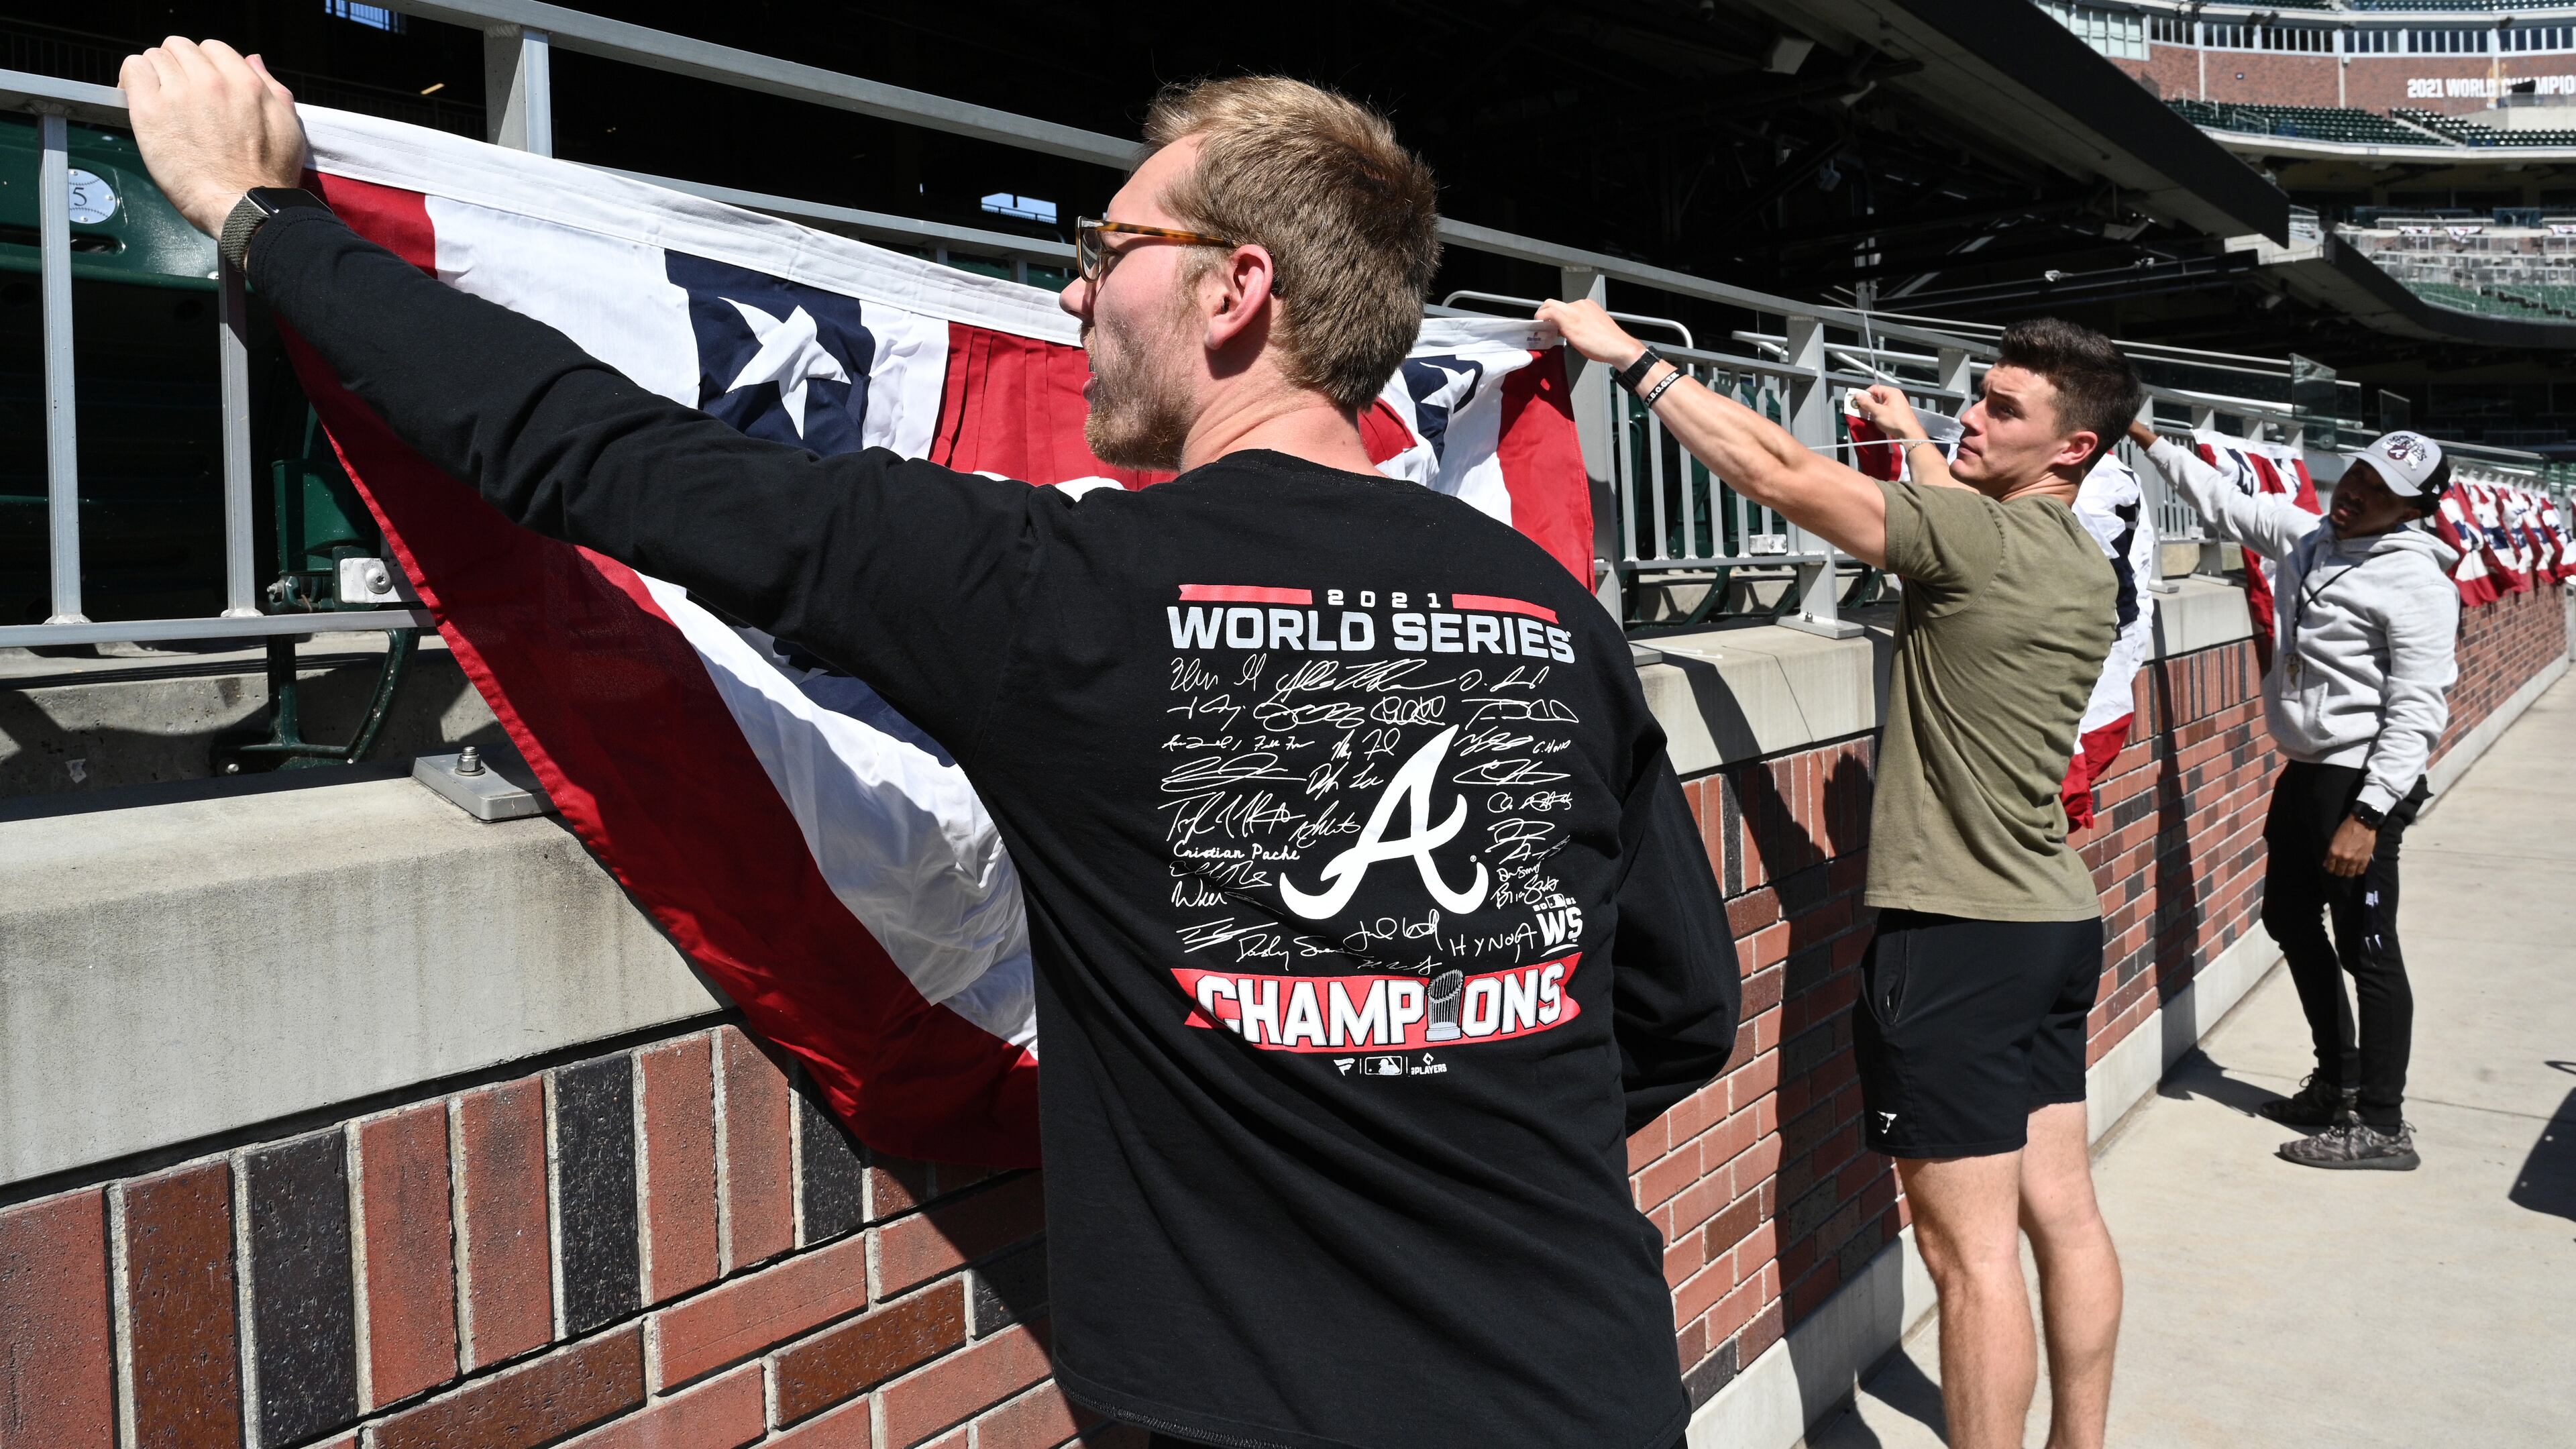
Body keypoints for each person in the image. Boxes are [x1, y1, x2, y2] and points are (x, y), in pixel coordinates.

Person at [122, 40, 1739, 1449]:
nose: (1075, 286)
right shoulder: (1548, 614)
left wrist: (263, 225)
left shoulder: (1059, 588)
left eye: (1111, 247)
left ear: (1237, 288)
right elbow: (1675, 1009)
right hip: (1594, 1384)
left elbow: (600, 457)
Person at [1538, 302, 2131, 1449]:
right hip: (2053, 923)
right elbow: (1964, 524)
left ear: (2073, 447)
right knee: (2065, 1212)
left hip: (1954, 939)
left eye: (2004, 410)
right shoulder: (2072, 553)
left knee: (1968, 1264)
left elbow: (1775, 466)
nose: (1976, 417)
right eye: (1977, 396)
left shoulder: (1972, 539)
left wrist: (1636, 363)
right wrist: (1918, 439)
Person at [2131, 422, 2459, 1171]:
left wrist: (2370, 814)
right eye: (2359, 475)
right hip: (2309, 770)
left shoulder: (2417, 584)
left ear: (2416, 510)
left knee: (2368, 948)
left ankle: (2382, 1124)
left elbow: (2417, 711)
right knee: (2286, 916)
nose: (2358, 493)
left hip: (2363, 778)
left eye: (2383, 493)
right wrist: (2149, 441)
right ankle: (2335, 1080)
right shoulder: (2310, 535)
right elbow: (2224, 502)